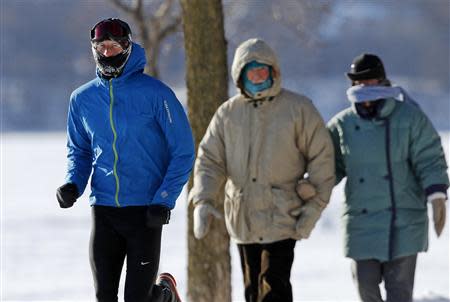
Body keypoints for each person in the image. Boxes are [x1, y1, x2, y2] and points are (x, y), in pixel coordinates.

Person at [56, 18, 194, 302]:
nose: (108, 52)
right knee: (104, 295)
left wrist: (164, 199)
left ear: (127, 48)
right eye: (102, 47)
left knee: (137, 298)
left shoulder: (157, 94)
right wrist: (73, 183)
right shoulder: (81, 99)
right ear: (94, 50)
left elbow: (183, 151)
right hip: (104, 208)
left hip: (146, 210)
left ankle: (164, 295)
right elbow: (79, 151)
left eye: (115, 46)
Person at [188, 38, 335, 302]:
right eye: (251, 70)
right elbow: (210, 160)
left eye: (262, 70)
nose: (257, 75)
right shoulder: (227, 114)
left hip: (282, 215)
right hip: (242, 217)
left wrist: (311, 210)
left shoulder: (298, 109)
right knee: (253, 292)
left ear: (274, 72)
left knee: (273, 287)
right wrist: (203, 199)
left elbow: (322, 159)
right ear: (240, 75)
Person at [327, 53, 449, 302]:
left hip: (403, 221)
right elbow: (328, 165)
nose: (365, 88)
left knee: (399, 295)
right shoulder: (343, 124)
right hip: (362, 223)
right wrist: (312, 186)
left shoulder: (410, 117)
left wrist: (436, 194)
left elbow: (429, 157)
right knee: (366, 290)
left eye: (371, 81)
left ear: (383, 82)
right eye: (360, 83)